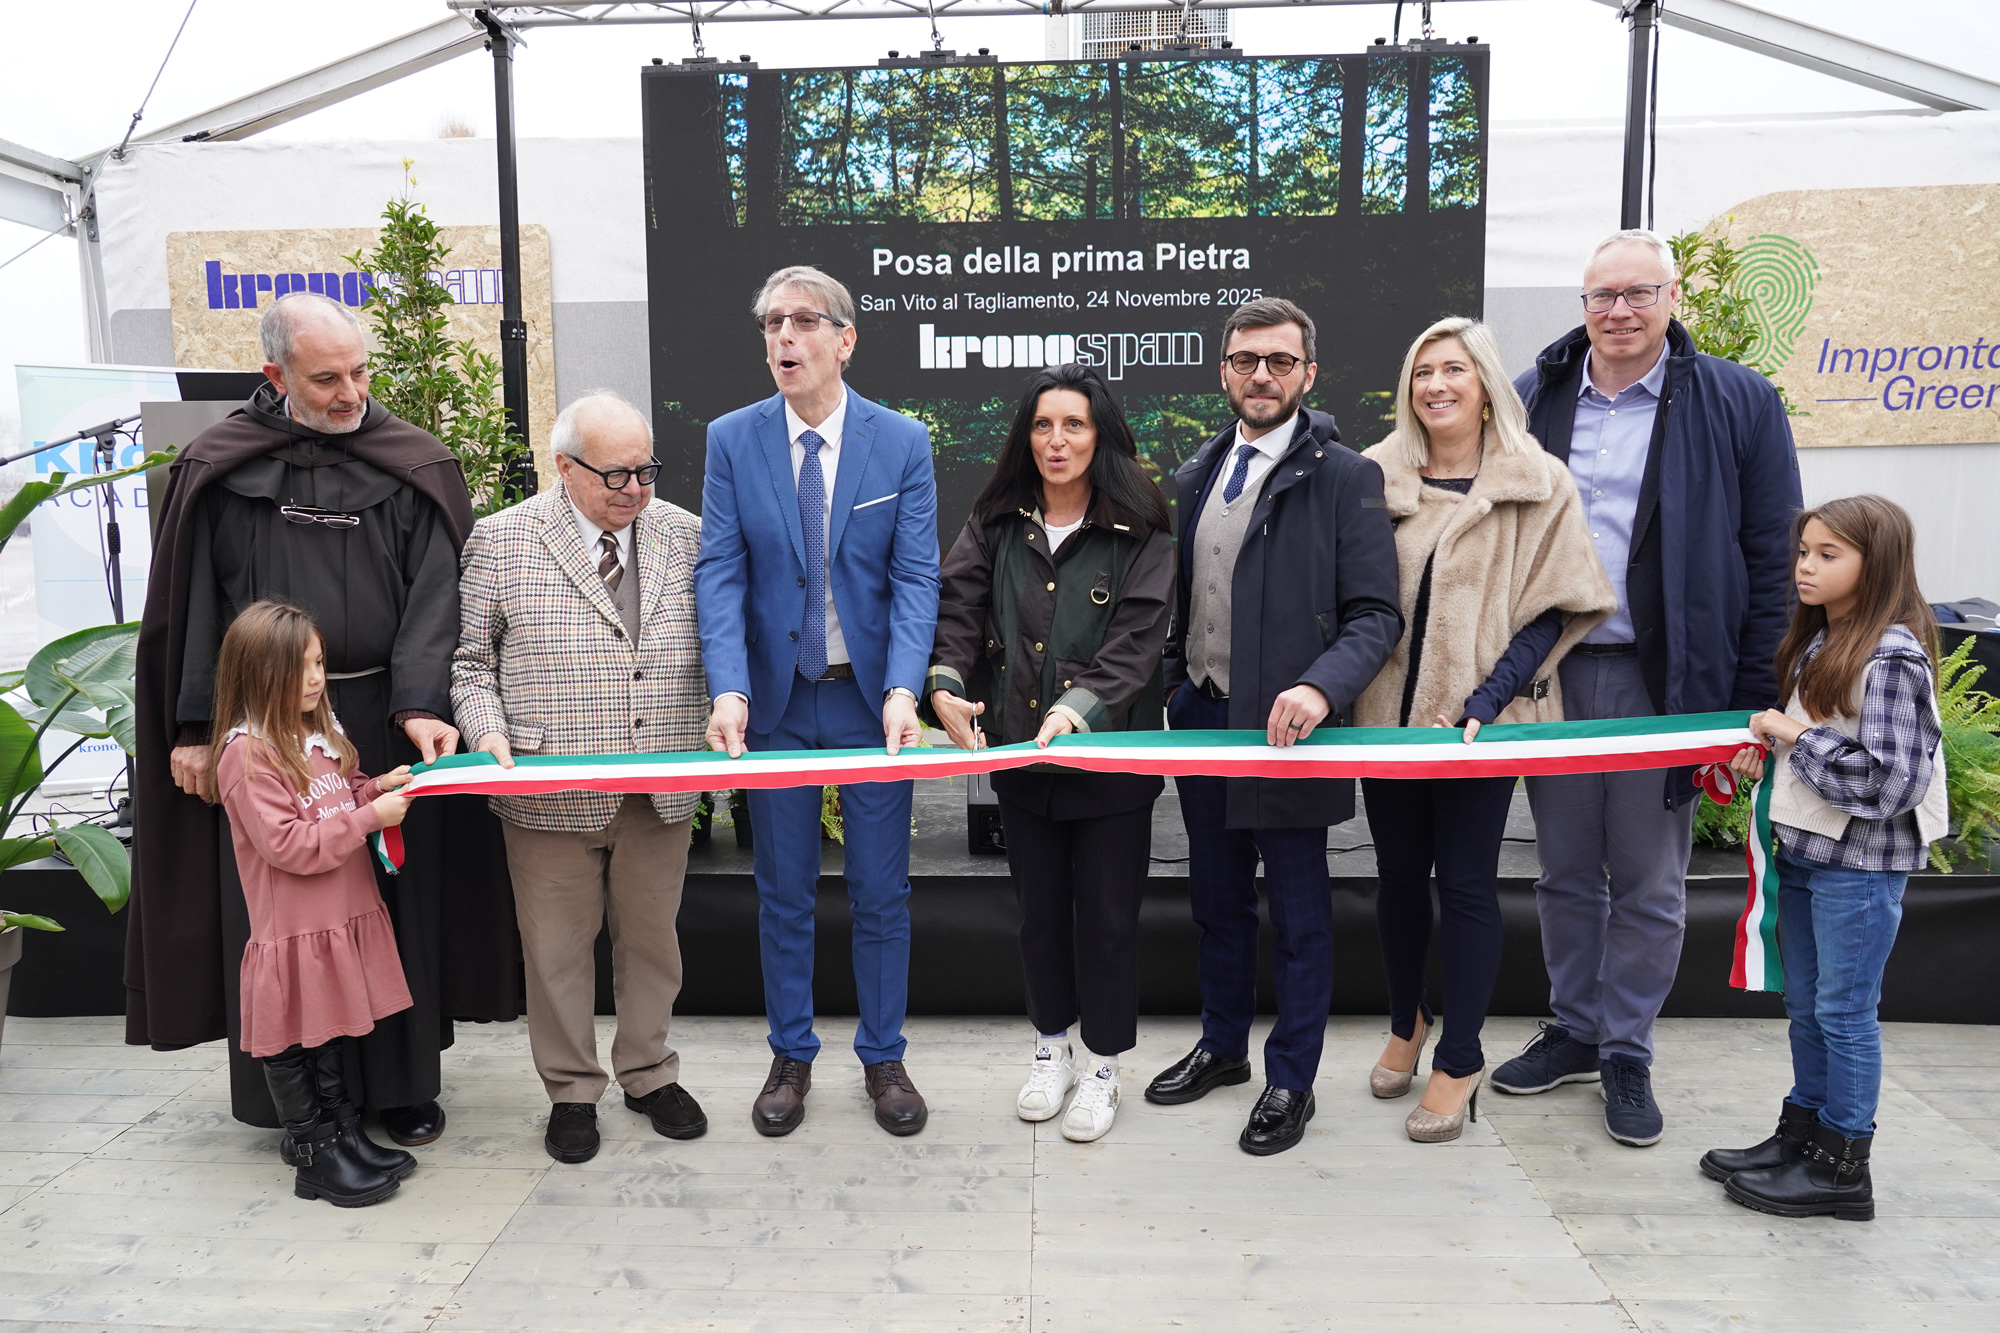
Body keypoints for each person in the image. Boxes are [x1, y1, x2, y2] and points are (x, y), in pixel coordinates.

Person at [129, 292, 520, 1147]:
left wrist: (420, 703)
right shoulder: (220, 468)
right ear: (275, 376)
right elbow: (193, 604)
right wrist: (194, 726)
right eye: (327, 378)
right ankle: (299, 1102)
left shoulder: (411, 462)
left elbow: (436, 596)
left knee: (395, 905)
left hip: (379, 720)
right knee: (287, 915)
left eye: (360, 372)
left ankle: (404, 1082)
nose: (352, 394)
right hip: (265, 728)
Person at [1495, 229, 1802, 1147]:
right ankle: (1575, 1028)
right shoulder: (1536, 396)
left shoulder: (1737, 400)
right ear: (1582, 305)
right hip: (1551, 680)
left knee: (1650, 878)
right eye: (1602, 296)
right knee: (1561, 872)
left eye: (1639, 293)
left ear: (1673, 299)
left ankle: (1626, 1047)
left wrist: (1749, 699)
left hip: (1666, 682)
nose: (1619, 311)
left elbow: (1771, 554)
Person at [1145, 297, 1403, 1156]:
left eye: (1280, 362)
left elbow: (1375, 614)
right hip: (1207, 726)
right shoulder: (1196, 473)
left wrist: (1321, 690)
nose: (1263, 375)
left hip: (1293, 737)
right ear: (1223, 371)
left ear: (1308, 373)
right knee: (1217, 905)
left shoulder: (1345, 475)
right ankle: (1223, 1047)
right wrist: (1179, 685)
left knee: (1298, 918)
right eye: (1247, 360)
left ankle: (1292, 1077)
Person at [1352, 318, 1615, 1143]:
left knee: (1464, 883)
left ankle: (1459, 1055)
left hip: (1481, 728)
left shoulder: (1538, 481)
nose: (1435, 385)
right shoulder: (1372, 473)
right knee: (1397, 878)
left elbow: (1557, 604)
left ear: (1485, 380)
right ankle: (1408, 1019)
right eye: (1422, 370)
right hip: (1388, 725)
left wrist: (1486, 701)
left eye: (1453, 370)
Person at [696, 265, 941, 1138]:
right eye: (771, 323)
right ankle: (791, 1052)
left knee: (882, 892)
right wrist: (728, 686)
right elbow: (721, 571)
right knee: (782, 891)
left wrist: (905, 686)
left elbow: (916, 578)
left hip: (868, 704)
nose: (783, 338)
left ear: (844, 339)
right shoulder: (732, 439)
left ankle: (884, 1057)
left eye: (803, 322)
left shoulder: (901, 442)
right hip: (773, 704)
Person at [453, 391, 712, 1164]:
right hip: (547, 785)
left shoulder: (688, 536)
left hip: (660, 779)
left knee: (653, 945)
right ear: (563, 466)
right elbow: (470, 662)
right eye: (615, 475)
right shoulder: (501, 541)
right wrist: (487, 730)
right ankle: (571, 1089)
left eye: (647, 471)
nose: (635, 489)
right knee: (557, 952)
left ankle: (648, 1071)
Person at [927, 364, 1176, 1143]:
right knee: (1038, 917)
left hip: (1111, 764)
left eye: (1073, 424)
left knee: (1105, 920)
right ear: (1024, 437)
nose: (1056, 440)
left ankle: (1103, 1066)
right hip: (1021, 761)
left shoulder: (1142, 524)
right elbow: (958, 608)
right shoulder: (996, 517)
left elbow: (1138, 644)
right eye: (1042, 425)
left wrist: (1079, 709)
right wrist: (944, 686)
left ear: (1099, 434)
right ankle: (1051, 1050)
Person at [1704, 496, 1945, 1222]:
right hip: (1807, 854)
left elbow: (1894, 781)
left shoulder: (1893, 656)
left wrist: (1795, 738)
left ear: (1878, 566)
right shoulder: (1822, 640)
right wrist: (1774, 749)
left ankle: (1844, 1168)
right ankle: (1802, 1136)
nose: (1806, 565)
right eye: (1804, 550)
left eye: (1828, 554)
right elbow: (1816, 744)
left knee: (1845, 1011)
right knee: (1808, 1004)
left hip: (1861, 868)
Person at [204, 600, 420, 1208]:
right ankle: (311, 1148)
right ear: (257, 673)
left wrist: (377, 788)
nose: (316, 678)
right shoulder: (246, 756)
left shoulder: (319, 734)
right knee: (292, 1038)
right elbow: (289, 845)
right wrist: (368, 817)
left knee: (325, 1033)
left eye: (320, 663)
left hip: (339, 912)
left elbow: (340, 792)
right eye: (299, 668)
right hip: (297, 925)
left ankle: (341, 1129)